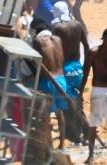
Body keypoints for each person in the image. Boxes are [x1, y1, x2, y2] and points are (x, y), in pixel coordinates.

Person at [81, 28, 107, 163]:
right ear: (105, 39)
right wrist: (80, 92)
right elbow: (85, 73)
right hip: (98, 90)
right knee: (94, 124)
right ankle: (91, 155)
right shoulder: (93, 53)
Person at [51, 1, 90, 144]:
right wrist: (86, 67)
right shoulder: (77, 25)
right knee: (79, 101)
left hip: (64, 68)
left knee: (67, 104)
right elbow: (87, 47)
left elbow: (54, 50)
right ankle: (81, 134)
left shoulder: (57, 28)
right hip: (77, 67)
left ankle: (76, 135)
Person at [31, 18, 68, 150]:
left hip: (47, 81)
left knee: (45, 114)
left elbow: (35, 62)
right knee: (59, 112)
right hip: (61, 79)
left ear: (36, 31)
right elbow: (62, 58)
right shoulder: (57, 40)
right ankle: (62, 144)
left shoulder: (37, 41)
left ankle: (49, 146)